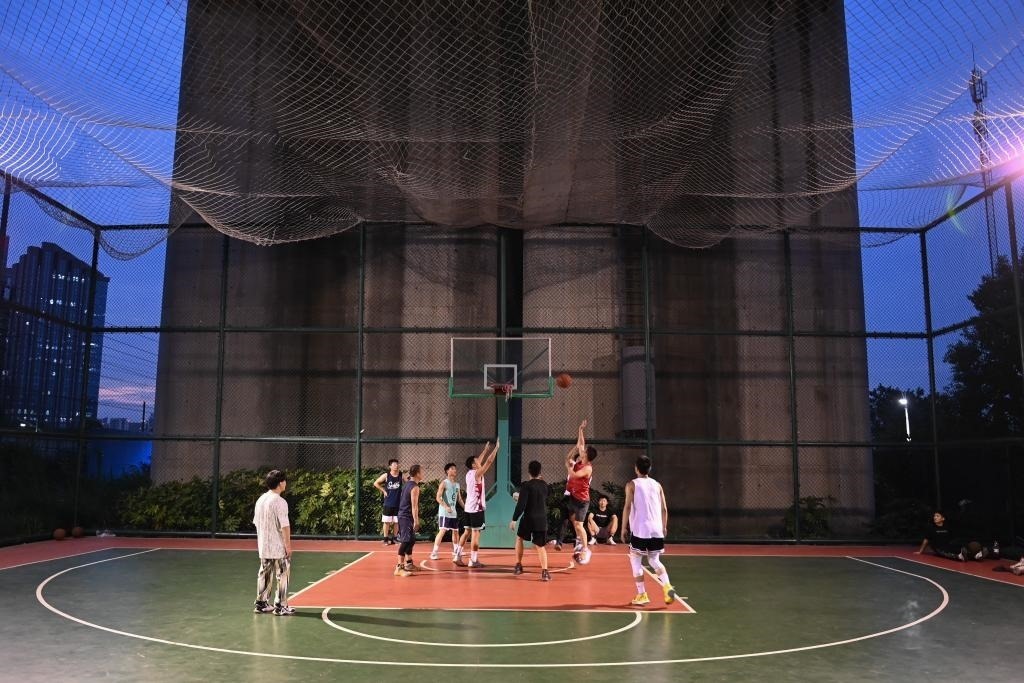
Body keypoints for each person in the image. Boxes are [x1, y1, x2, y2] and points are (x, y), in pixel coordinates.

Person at [621, 455, 676, 607]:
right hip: (656, 529)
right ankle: (668, 587)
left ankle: (642, 594)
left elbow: (627, 507)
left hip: (640, 529)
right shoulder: (657, 485)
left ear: (636, 468)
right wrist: (664, 527)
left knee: (635, 559)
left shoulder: (632, 485)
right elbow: (664, 509)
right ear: (649, 469)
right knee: (654, 560)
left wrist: (623, 528)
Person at [253, 469, 295, 615]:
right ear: (280, 483)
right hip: (278, 546)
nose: (285, 483)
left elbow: (256, 522)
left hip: (264, 544)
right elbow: (285, 526)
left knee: (264, 573)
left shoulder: (261, 500)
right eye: (284, 480)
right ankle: (280, 606)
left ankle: (261, 603)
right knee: (282, 574)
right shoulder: (280, 502)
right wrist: (288, 546)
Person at [509, 460, 552, 581]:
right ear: (540, 472)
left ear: (529, 471)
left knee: (519, 538)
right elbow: (539, 498)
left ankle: (518, 565)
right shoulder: (545, 486)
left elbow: (521, 505)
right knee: (540, 546)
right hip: (541, 519)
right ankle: (545, 572)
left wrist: (514, 519)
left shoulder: (526, 486)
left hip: (528, 518)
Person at [462, 439, 500, 568]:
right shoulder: (477, 473)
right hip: (476, 509)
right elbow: (489, 462)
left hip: (468, 508)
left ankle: (458, 555)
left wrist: (485, 449)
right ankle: (473, 560)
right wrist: (496, 449)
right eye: (477, 461)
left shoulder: (469, 473)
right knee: (475, 535)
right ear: (474, 464)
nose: (480, 461)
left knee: (467, 532)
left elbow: (480, 460)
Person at [565, 420, 596, 565]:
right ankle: (579, 540)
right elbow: (581, 443)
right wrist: (580, 429)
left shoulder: (588, 468)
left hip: (582, 501)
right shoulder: (582, 459)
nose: (582, 450)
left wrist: (569, 466)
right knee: (573, 520)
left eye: (584, 451)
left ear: (587, 455)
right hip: (574, 497)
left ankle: (586, 549)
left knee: (578, 524)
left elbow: (575, 475)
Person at [915, 510, 985, 562]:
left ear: (943, 518)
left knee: (960, 548)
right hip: (938, 548)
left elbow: (952, 537)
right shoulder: (931, 528)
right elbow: (926, 540)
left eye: (937, 516)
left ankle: (976, 556)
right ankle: (959, 557)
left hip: (948, 545)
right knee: (946, 552)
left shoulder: (947, 527)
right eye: (934, 516)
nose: (935, 517)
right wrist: (920, 551)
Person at [430, 462, 465, 561]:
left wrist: (466, 508)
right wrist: (446, 507)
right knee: (442, 531)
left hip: (453, 512)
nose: (454, 470)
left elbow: (459, 499)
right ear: (447, 471)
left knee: (456, 531)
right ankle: (434, 552)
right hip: (445, 512)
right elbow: (438, 497)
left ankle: (456, 550)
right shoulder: (444, 483)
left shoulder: (457, 485)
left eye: (455, 468)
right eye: (452, 468)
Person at [394, 464, 424, 577]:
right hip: (406, 516)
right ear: (417, 473)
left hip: (404, 515)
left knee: (411, 540)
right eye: (422, 471)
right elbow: (414, 506)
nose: (423, 473)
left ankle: (409, 564)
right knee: (406, 541)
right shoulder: (414, 487)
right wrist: (416, 520)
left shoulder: (408, 484)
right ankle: (399, 568)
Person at [373, 459, 403, 545]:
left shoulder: (401, 475)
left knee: (397, 521)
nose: (396, 466)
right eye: (394, 464)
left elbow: (407, 483)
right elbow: (376, 483)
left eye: (397, 464)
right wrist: (383, 490)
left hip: (398, 502)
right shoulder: (386, 475)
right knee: (387, 521)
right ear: (390, 466)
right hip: (388, 502)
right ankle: (385, 539)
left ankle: (395, 538)